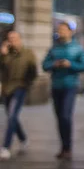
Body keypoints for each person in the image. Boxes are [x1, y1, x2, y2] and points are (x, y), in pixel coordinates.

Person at [42, 22, 84, 160]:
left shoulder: (77, 48)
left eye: (63, 29)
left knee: (65, 116)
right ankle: (63, 146)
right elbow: (44, 65)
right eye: (59, 29)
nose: (61, 32)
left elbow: (83, 65)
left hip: (70, 85)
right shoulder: (54, 48)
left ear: (70, 32)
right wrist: (54, 64)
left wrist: (70, 64)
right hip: (56, 85)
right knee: (59, 117)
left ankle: (68, 147)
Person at [0, 31, 37, 160]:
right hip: (7, 89)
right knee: (12, 116)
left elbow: (33, 71)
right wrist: (3, 55)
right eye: (10, 39)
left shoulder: (28, 53)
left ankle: (5, 147)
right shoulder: (6, 54)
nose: (12, 41)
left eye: (14, 38)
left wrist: (27, 84)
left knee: (11, 116)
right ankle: (23, 138)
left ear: (20, 39)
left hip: (20, 87)